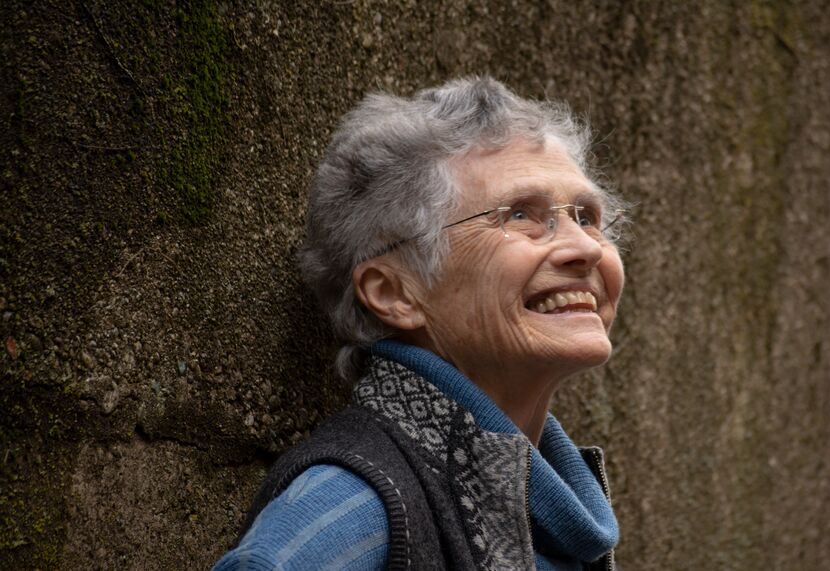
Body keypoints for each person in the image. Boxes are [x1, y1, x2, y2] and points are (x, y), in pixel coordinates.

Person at [214, 76, 628, 570]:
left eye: (586, 215)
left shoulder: (557, 515)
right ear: (395, 293)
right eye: (520, 215)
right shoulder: (355, 507)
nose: (585, 248)